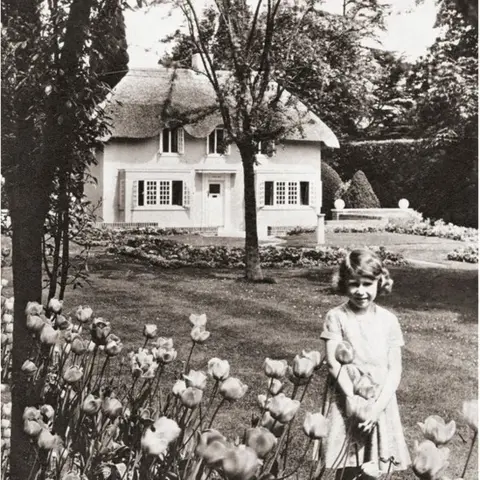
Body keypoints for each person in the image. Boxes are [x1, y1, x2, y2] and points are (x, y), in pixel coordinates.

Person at [320, 249, 411, 479]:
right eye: (354, 284)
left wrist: (377, 407)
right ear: (344, 284)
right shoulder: (336, 316)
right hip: (346, 397)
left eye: (367, 284)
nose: (361, 291)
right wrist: (353, 399)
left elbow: (395, 369)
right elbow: (333, 363)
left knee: (375, 464)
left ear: (379, 283)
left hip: (379, 400)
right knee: (346, 459)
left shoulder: (389, 320)